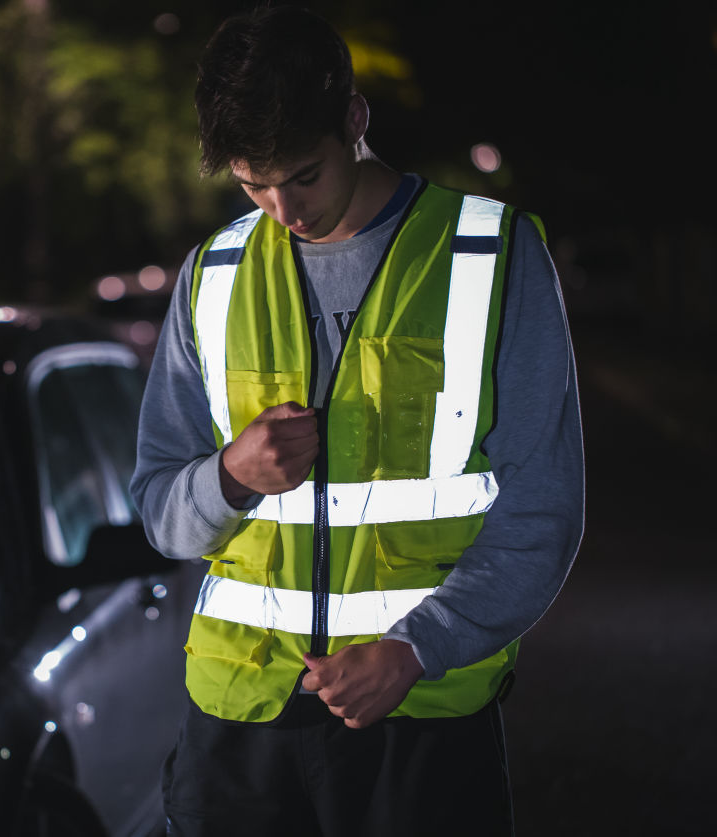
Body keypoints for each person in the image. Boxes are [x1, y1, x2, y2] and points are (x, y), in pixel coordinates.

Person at [129, 5, 584, 836]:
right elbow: (161, 509)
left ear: (354, 119)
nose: (283, 210)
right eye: (251, 183)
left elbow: (543, 510)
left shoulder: (492, 254)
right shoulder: (212, 275)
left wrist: (418, 647)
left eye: (302, 174)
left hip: (420, 720)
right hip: (236, 724)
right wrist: (229, 477)